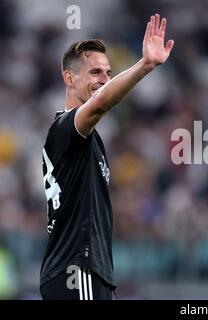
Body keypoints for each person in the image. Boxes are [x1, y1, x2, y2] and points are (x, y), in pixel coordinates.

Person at [39, 14, 174, 300]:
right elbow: (101, 104)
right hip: (77, 271)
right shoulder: (66, 127)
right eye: (95, 72)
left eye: (108, 73)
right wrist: (146, 64)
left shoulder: (89, 139)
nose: (104, 80)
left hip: (85, 273)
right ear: (69, 78)